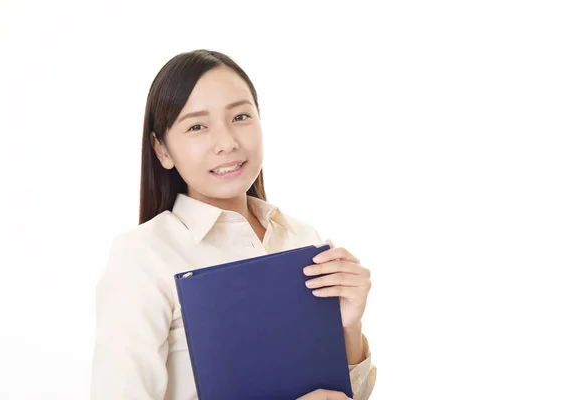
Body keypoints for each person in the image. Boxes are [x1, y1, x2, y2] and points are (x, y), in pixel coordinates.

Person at [90, 49, 377, 400]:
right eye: (197, 126)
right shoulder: (143, 256)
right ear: (162, 149)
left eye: (240, 116)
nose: (227, 143)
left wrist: (348, 327)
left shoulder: (302, 239)